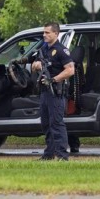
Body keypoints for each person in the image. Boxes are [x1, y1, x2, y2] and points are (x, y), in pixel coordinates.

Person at [32, 22, 75, 161]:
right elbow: (34, 64)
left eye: (47, 32)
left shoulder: (61, 50)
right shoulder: (44, 48)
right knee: (45, 123)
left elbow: (70, 70)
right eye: (44, 32)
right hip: (45, 92)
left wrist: (54, 79)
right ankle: (48, 155)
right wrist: (36, 65)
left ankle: (62, 156)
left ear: (56, 34)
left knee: (56, 123)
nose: (44, 35)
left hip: (56, 92)